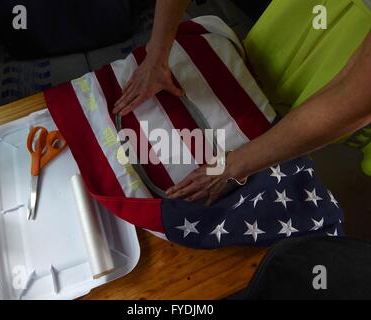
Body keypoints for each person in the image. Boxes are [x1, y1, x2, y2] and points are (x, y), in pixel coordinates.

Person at [113, 0, 371, 206]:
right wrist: (157, 55)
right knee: (259, 73)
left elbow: (352, 102)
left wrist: (232, 166)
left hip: (353, 78)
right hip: (314, 14)